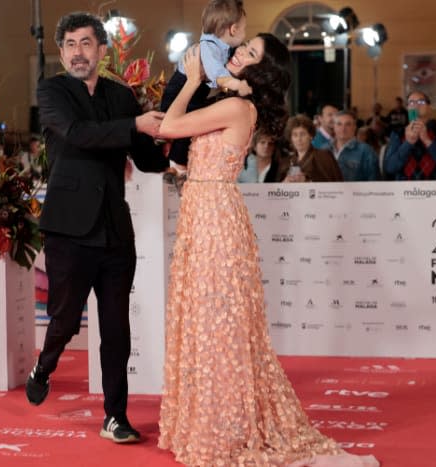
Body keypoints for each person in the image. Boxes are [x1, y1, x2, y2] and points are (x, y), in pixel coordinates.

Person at [157, 34, 378, 467]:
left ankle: (224, 427)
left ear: (261, 72)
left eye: (250, 53)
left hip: (214, 218)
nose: (239, 51)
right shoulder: (233, 101)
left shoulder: (238, 107)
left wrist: (192, 78)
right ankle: (212, 420)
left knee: (217, 327)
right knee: (208, 324)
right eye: (245, 46)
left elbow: (168, 127)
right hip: (204, 213)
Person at [24, 11, 169, 444]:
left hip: (114, 229)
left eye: (86, 43)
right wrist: (134, 125)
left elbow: (144, 155)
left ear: (102, 50)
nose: (77, 52)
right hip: (69, 229)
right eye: (69, 44)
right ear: (62, 52)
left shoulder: (121, 97)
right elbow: (77, 134)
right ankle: (44, 365)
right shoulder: (51, 91)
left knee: (116, 327)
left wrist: (177, 145)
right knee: (66, 320)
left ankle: (115, 416)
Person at [161, 0, 247, 171]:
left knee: (196, 123)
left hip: (196, 92)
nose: (244, 34)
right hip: (179, 92)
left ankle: (182, 163)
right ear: (233, 29)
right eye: (243, 29)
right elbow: (216, 73)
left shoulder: (222, 46)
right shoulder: (209, 47)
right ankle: (177, 164)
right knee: (186, 128)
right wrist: (234, 84)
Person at [383, 91, 436, 180]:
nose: (416, 105)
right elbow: (390, 167)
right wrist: (408, 143)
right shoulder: (398, 132)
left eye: (421, 102)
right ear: (408, 108)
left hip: (435, 189)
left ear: (429, 107)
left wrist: (427, 140)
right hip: (405, 190)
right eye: (411, 102)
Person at [281, 113, 343, 182]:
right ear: (291, 138)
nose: (299, 139)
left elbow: (336, 184)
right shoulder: (288, 161)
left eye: (303, 134)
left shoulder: (324, 156)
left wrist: (307, 181)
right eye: (295, 135)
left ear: (310, 136)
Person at [331, 111, 379, 181]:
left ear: (354, 127)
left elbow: (374, 182)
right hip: (327, 192)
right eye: (339, 124)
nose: (343, 128)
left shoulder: (366, 152)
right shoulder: (324, 149)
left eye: (348, 124)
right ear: (334, 127)